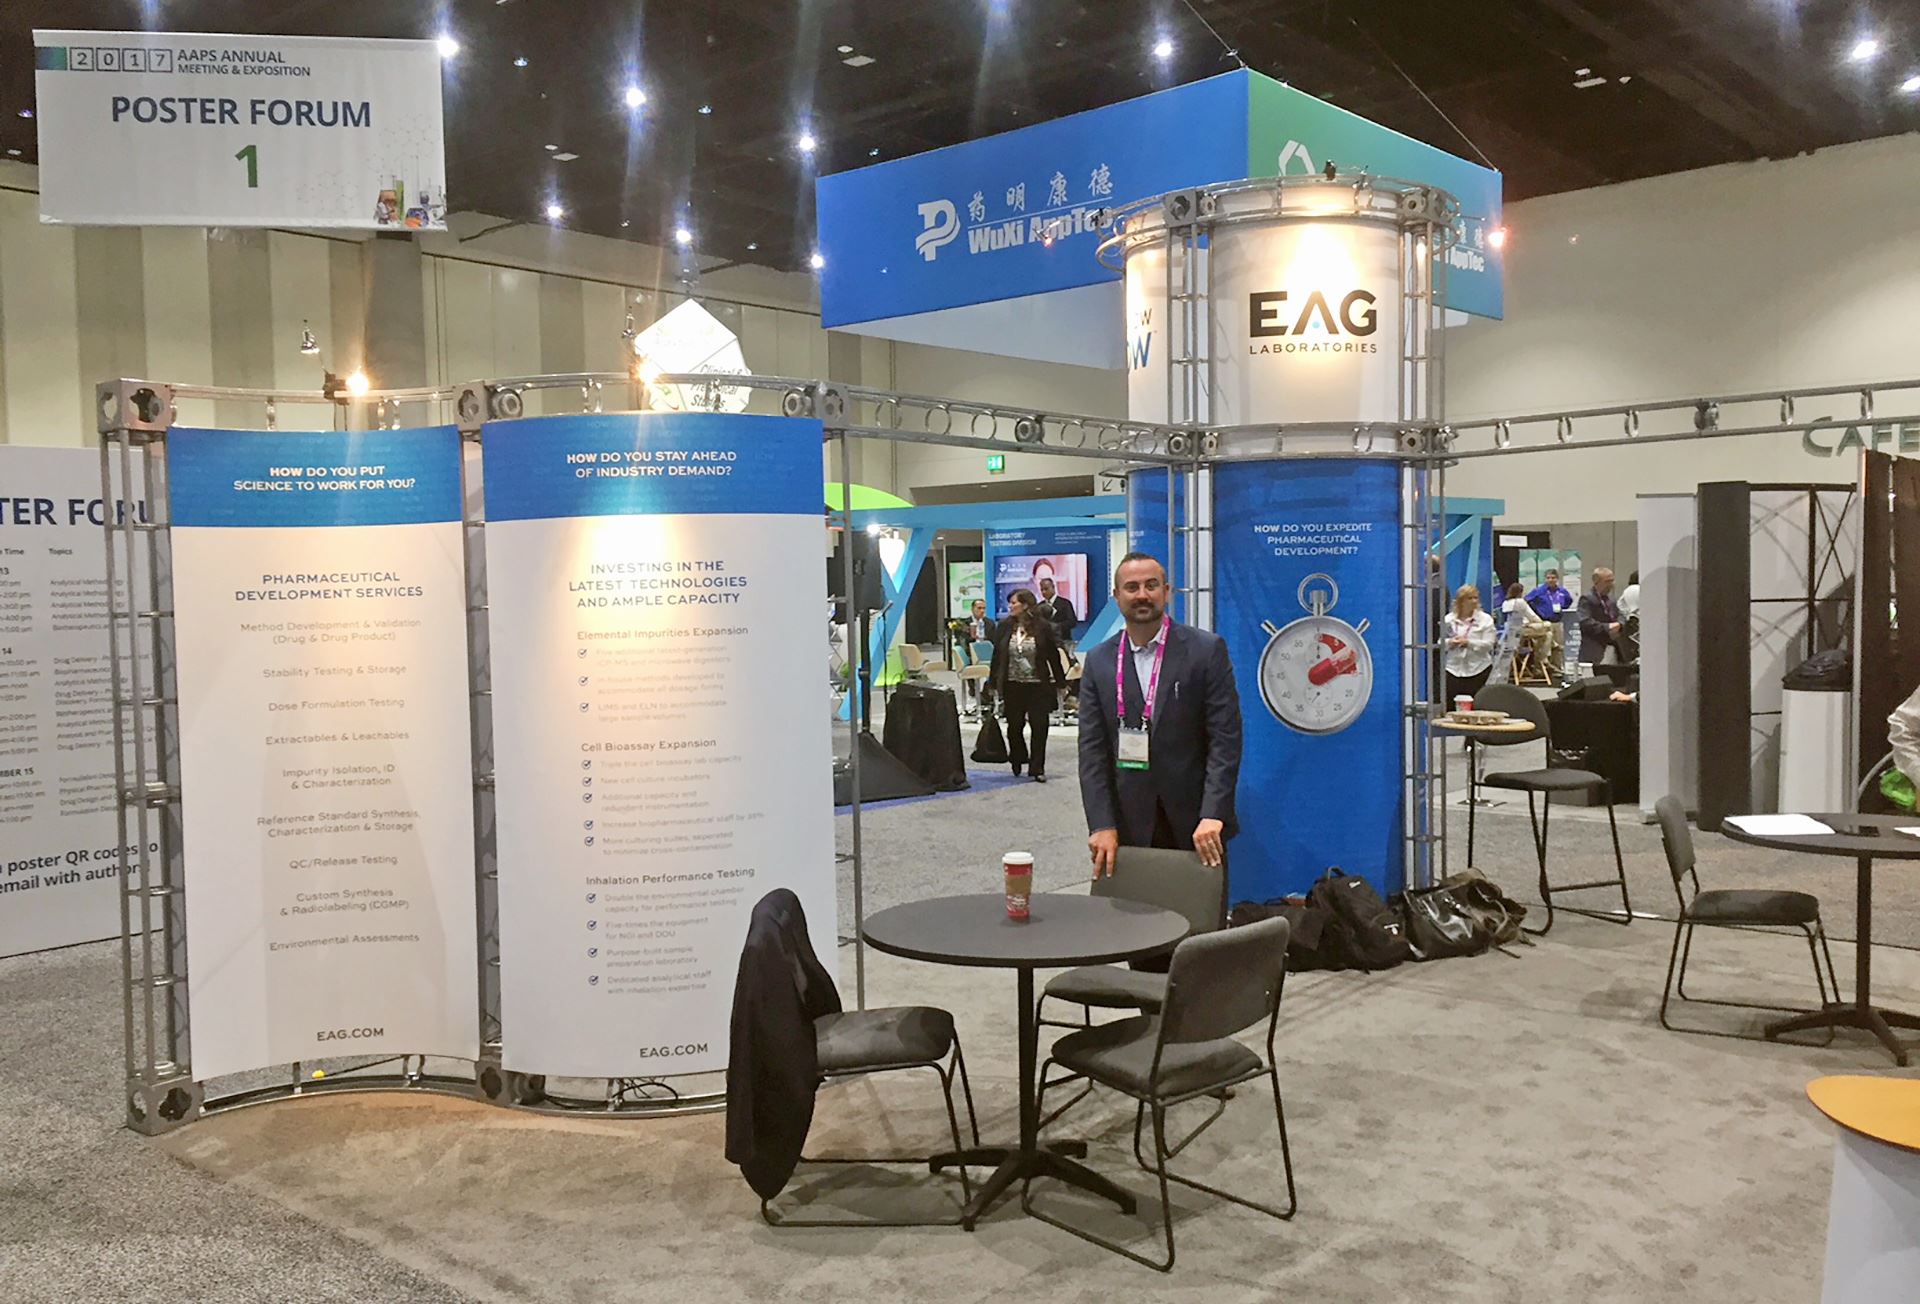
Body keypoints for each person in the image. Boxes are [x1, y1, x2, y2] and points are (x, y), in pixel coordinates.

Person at [1078, 552, 1242, 878]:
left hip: (1197, 823)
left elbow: (1225, 740)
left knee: (1200, 924)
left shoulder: (1206, 651)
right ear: (1117, 597)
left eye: (1151, 585)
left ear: (1166, 591)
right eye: (1132, 587)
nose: (1142, 594)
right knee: (1132, 924)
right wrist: (1101, 823)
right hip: (1126, 826)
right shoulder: (1099, 662)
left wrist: (1213, 813)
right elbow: (1092, 752)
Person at [988, 587, 1066, 781]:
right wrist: (992, 682)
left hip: (1037, 685)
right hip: (1013, 685)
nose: (1011, 606)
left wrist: (1060, 681)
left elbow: (1052, 655)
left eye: (1014, 603)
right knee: (1014, 726)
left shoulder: (1043, 627)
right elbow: (997, 656)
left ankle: (1037, 767)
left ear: (1025, 605)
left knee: (1040, 726)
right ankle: (1017, 756)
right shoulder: (1005, 627)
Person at [1442, 585, 1498, 705]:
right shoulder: (1448, 620)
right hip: (1453, 669)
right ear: (1460, 601)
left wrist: (1468, 643)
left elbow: (1489, 644)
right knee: (1451, 706)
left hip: (1478, 669)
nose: (1474, 601)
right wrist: (1450, 643)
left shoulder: (1485, 619)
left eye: (1476, 598)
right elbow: (1439, 642)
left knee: (1477, 705)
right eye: (1470, 598)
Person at [1524, 569, 1575, 680]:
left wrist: (1561, 609)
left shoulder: (1562, 591)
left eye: (1553, 578)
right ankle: (1539, 670)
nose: (1550, 580)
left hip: (1557, 621)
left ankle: (1557, 669)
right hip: (1544, 623)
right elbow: (1526, 601)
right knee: (1542, 647)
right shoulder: (1539, 591)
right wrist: (1536, 612)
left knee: (1558, 647)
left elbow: (1569, 601)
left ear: (1557, 579)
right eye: (1548, 578)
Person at [1578, 567, 1624, 666]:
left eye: (1612, 580)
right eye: (1608, 581)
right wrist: (1608, 627)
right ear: (1596, 582)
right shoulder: (1586, 599)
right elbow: (1585, 622)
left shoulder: (1611, 599)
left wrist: (1619, 625)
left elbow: (1621, 615)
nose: (1611, 584)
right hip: (1594, 650)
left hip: (1613, 648)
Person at [1034, 572, 1077, 649]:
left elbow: (1072, 622)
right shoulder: (1039, 606)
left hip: (1064, 641)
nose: (1043, 592)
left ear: (1053, 587)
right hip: (1045, 644)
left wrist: (1055, 627)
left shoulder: (1065, 603)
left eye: (1046, 589)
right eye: (1042, 590)